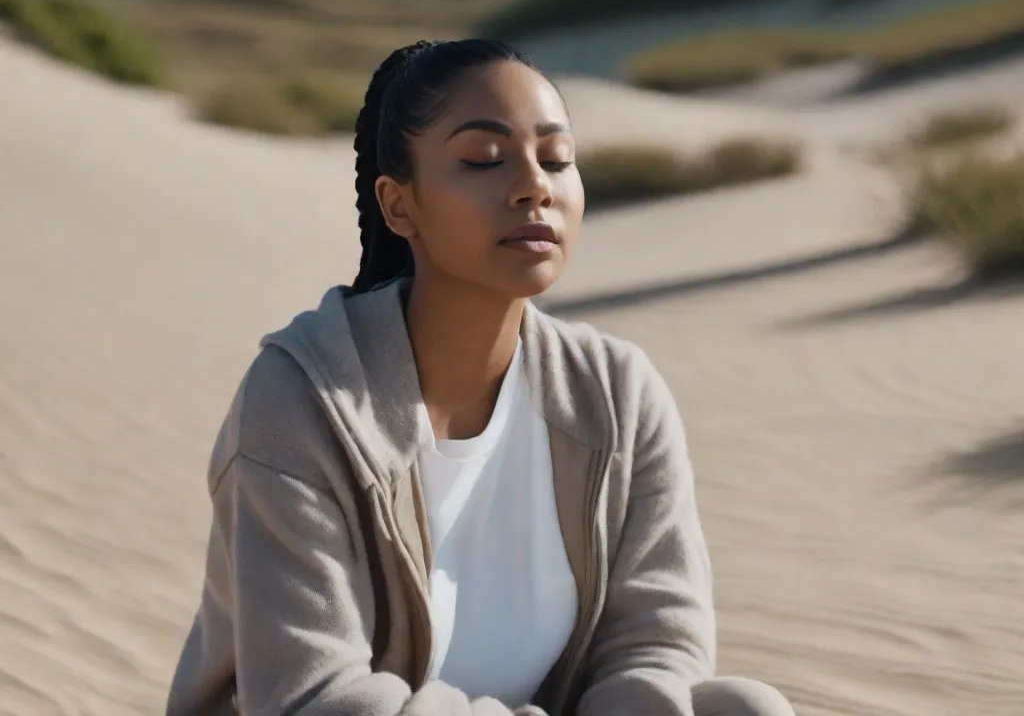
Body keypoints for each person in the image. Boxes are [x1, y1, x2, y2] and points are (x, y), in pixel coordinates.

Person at [165, 39, 796, 716]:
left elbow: (657, 642)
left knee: (742, 708)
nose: (535, 186)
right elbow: (312, 695)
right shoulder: (304, 398)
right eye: (483, 160)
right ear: (399, 205)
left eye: (556, 159)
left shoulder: (617, 393)